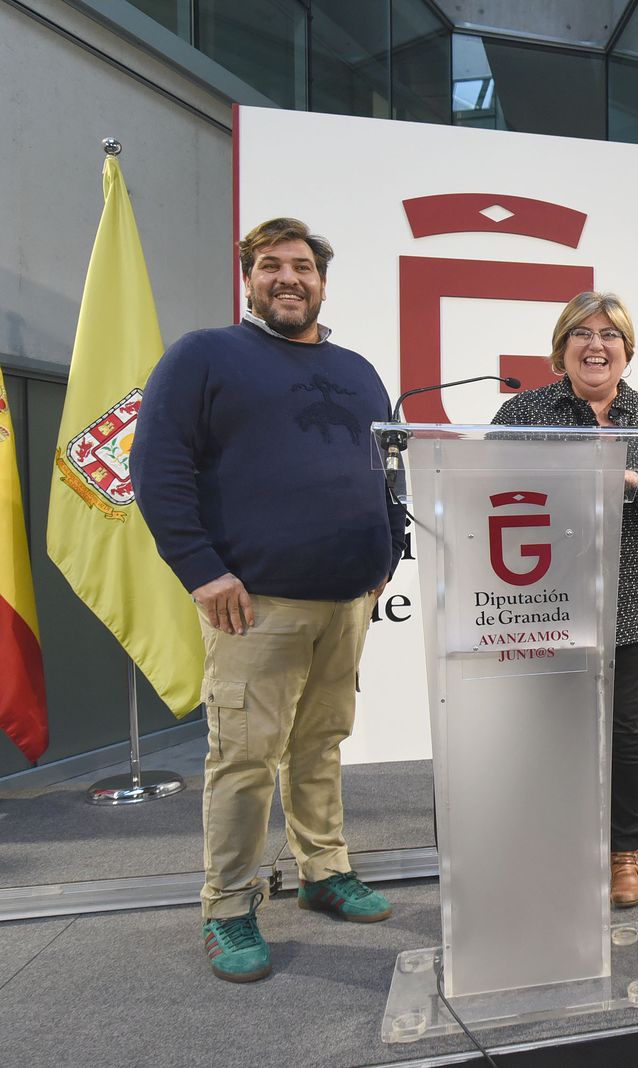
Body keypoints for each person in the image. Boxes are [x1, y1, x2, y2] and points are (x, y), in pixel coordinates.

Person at [131, 218, 407, 983]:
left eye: (303, 267)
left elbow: (389, 465)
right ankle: (226, 907)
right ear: (249, 280)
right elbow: (157, 468)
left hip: (348, 596)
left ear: (322, 281)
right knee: (245, 757)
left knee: (321, 742)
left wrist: (391, 550)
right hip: (253, 601)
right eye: (272, 266)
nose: (290, 278)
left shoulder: (358, 368)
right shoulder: (203, 356)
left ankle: (325, 872)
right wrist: (201, 569)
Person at [491, 291, 638, 908]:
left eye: (610, 334)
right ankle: (551, 845)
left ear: (627, 349)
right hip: (542, 601)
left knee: (625, 731)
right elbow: (485, 484)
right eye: (582, 333)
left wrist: (633, 479)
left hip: (632, 601)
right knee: (546, 731)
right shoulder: (523, 412)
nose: (596, 344)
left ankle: (624, 852)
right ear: (561, 348)